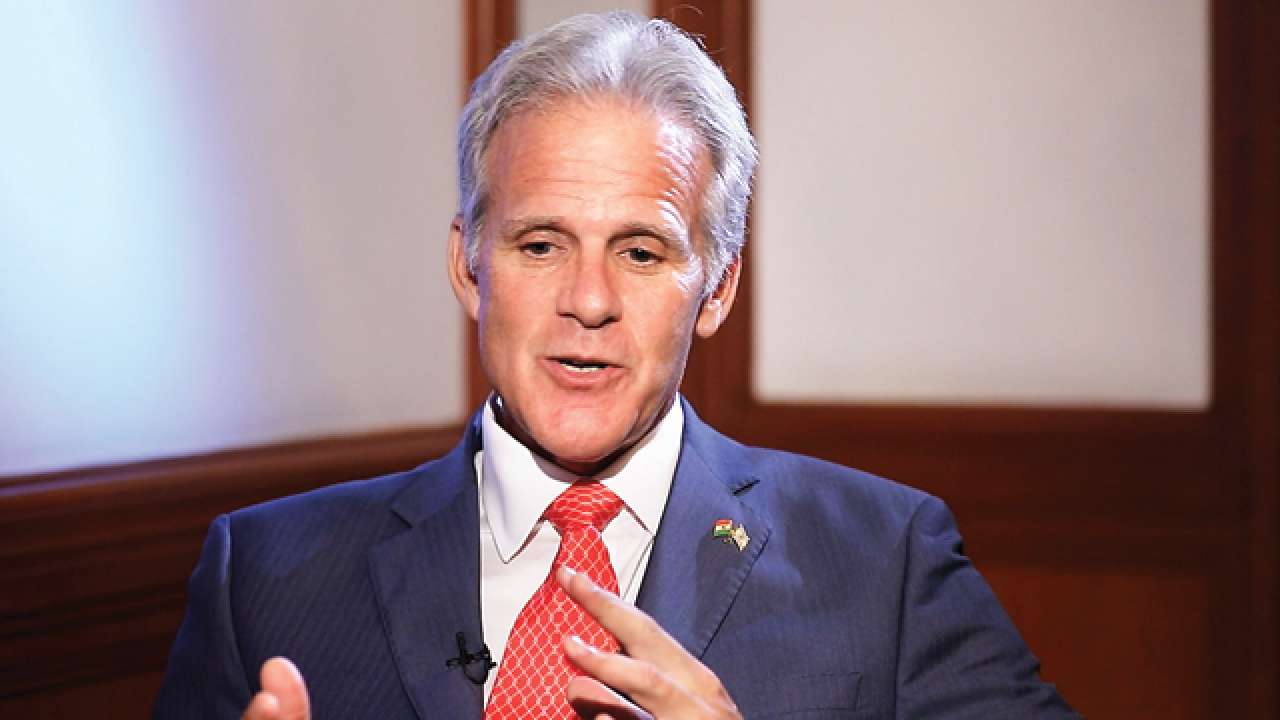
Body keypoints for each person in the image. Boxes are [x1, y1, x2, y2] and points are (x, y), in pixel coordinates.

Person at [155, 11, 1077, 720]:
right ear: (468, 266)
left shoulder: (887, 561)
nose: (589, 301)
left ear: (716, 290)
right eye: (541, 245)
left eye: (640, 252)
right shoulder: (264, 577)